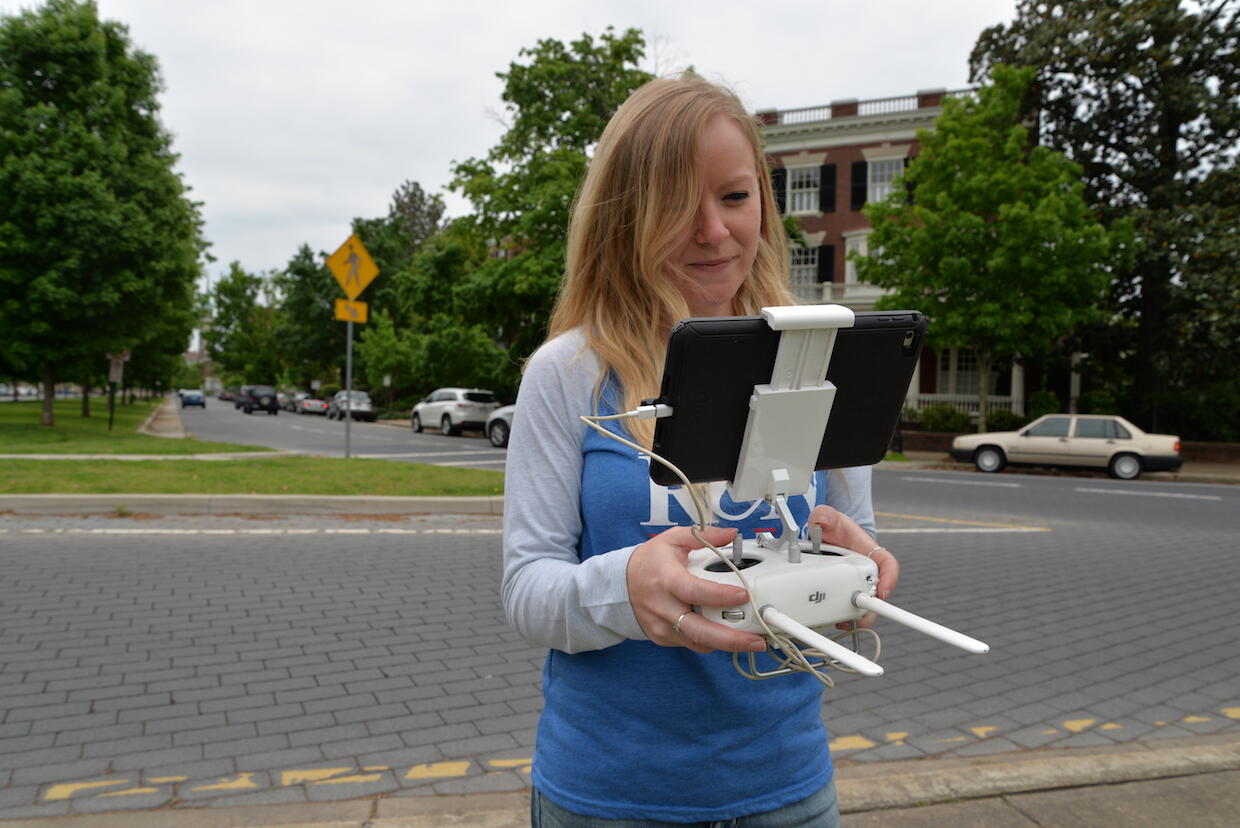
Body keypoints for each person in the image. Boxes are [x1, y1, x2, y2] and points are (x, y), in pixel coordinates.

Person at [502, 74, 901, 826]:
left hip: (789, 791)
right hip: (608, 800)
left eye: (734, 196)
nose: (714, 231)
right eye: (675, 207)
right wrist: (630, 586)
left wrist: (856, 567)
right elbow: (527, 592)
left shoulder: (819, 354)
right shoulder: (568, 373)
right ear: (624, 217)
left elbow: (855, 539)